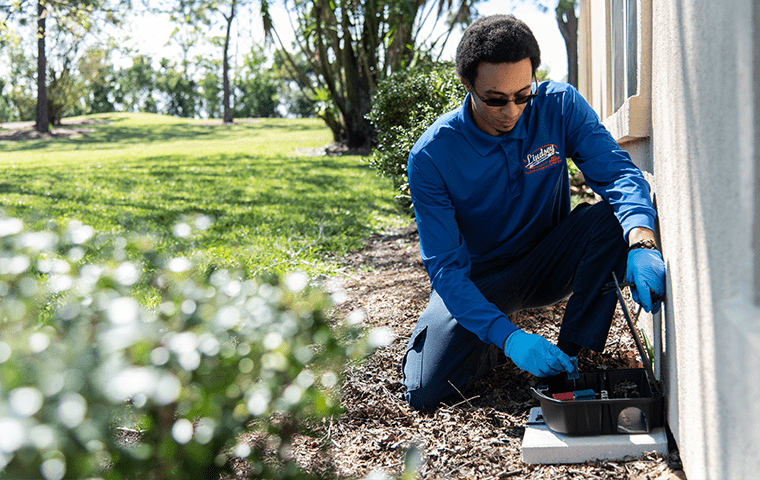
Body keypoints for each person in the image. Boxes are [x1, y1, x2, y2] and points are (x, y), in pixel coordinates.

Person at [401, 14, 666, 411]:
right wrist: (507, 337)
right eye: (495, 99)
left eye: (523, 95)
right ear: (468, 85)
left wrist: (642, 240)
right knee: (425, 392)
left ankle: (573, 357)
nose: (512, 110)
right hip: (481, 281)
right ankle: (495, 337)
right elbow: (446, 272)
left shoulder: (559, 105)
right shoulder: (431, 156)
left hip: (548, 261)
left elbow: (617, 174)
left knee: (613, 217)